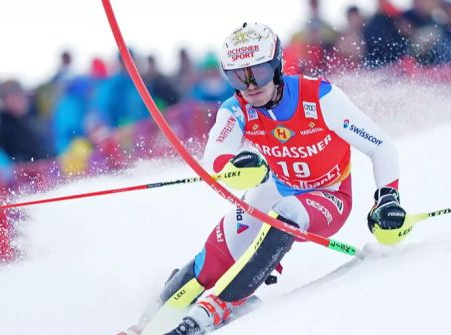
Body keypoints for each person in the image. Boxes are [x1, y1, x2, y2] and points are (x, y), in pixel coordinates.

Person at [121, 23, 410, 335]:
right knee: (212, 261)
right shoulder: (236, 110)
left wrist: (387, 198)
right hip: (275, 188)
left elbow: (380, 146)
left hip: (329, 195)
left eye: (257, 73)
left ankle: (214, 310)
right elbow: (214, 159)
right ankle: (145, 324)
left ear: (276, 67)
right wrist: (236, 166)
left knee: (287, 212)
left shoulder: (319, 97)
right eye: (236, 77)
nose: (249, 86)